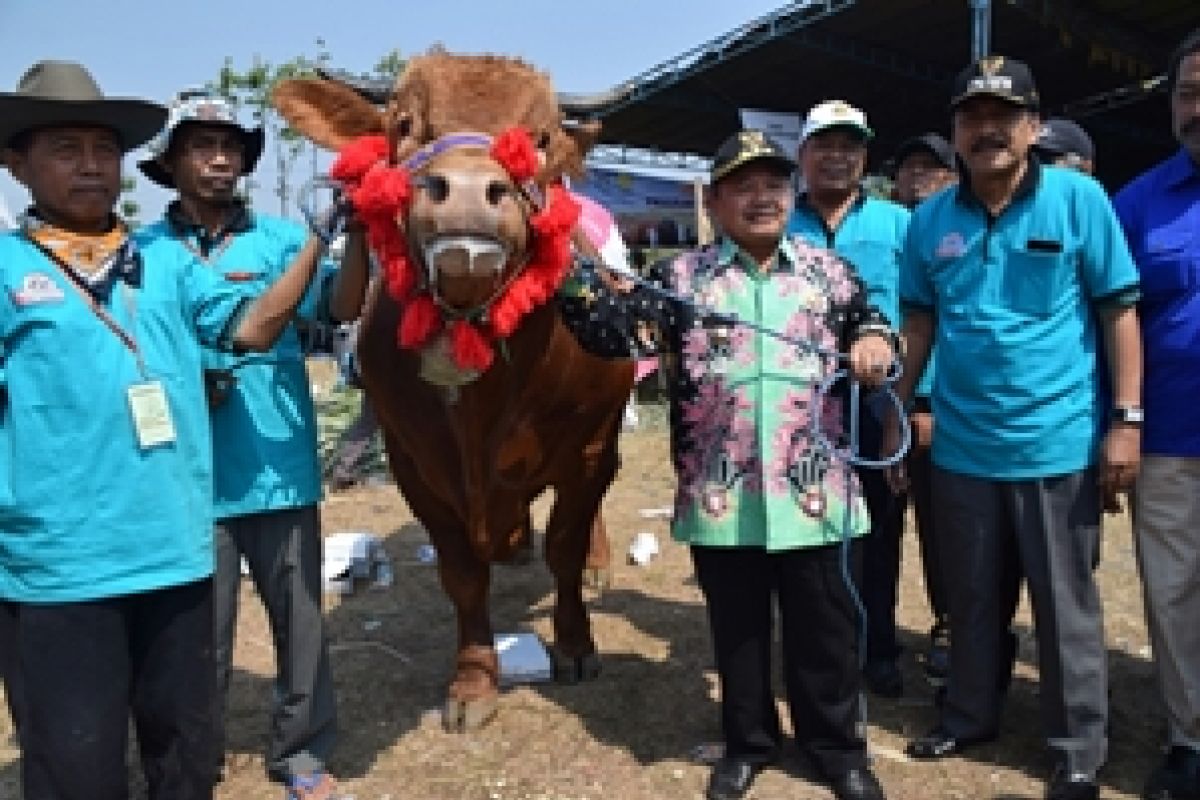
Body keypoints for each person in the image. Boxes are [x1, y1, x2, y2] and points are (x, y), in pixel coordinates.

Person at [0, 60, 333, 800]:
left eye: (102, 147)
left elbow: (251, 326)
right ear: (14, 162)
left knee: (185, 762)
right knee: (78, 768)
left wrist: (323, 237)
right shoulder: (5, 268)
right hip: (61, 572)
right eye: (64, 148)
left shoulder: (160, 263)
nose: (91, 165)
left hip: (176, 558)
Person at [559, 129, 895, 800]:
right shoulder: (679, 282)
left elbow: (873, 322)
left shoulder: (830, 275)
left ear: (791, 194)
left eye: (773, 183)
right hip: (721, 495)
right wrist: (563, 264)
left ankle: (837, 749)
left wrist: (875, 343)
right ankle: (748, 744)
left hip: (814, 494)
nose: (761, 197)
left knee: (824, 633)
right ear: (713, 202)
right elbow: (610, 333)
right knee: (737, 636)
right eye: (743, 186)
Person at [884, 55, 1142, 800]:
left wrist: (1125, 421)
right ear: (956, 129)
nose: (987, 128)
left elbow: (1119, 312)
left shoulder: (1078, 200)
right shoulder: (929, 219)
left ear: (1033, 126)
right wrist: (897, 414)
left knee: (1066, 609)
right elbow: (918, 325)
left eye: (1004, 114)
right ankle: (969, 714)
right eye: (972, 115)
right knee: (970, 599)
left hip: (1057, 446)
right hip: (964, 447)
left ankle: (1078, 746)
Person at [138, 88, 368, 800]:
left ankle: (299, 750)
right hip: (185, 474)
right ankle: (194, 757)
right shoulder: (141, 253)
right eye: (201, 146)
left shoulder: (279, 241)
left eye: (231, 147)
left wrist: (355, 234)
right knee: (195, 634)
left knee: (299, 622)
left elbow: (341, 306)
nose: (218, 159)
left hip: (277, 468)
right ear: (170, 163)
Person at [787, 99, 912, 698]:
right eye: (824, 146)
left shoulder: (899, 223)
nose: (837, 157)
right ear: (801, 156)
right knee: (805, 526)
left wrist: (915, 405)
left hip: (876, 400)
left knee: (878, 530)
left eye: (850, 147)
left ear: (865, 158)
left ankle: (878, 647)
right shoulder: (779, 221)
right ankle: (819, 649)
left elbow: (923, 312)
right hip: (796, 403)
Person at [1112, 28, 1200, 800]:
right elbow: (1112, 318)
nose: (1199, 107)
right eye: (1188, 92)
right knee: (1173, 592)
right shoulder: (1137, 203)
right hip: (1169, 433)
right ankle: (1189, 739)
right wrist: (1121, 420)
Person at [889, 132, 958, 689]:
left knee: (943, 530)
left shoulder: (952, 229)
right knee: (876, 531)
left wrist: (923, 401)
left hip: (937, 406)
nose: (918, 176)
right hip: (875, 404)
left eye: (931, 167)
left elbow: (933, 327)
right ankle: (874, 634)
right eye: (909, 166)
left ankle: (950, 625)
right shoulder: (897, 223)